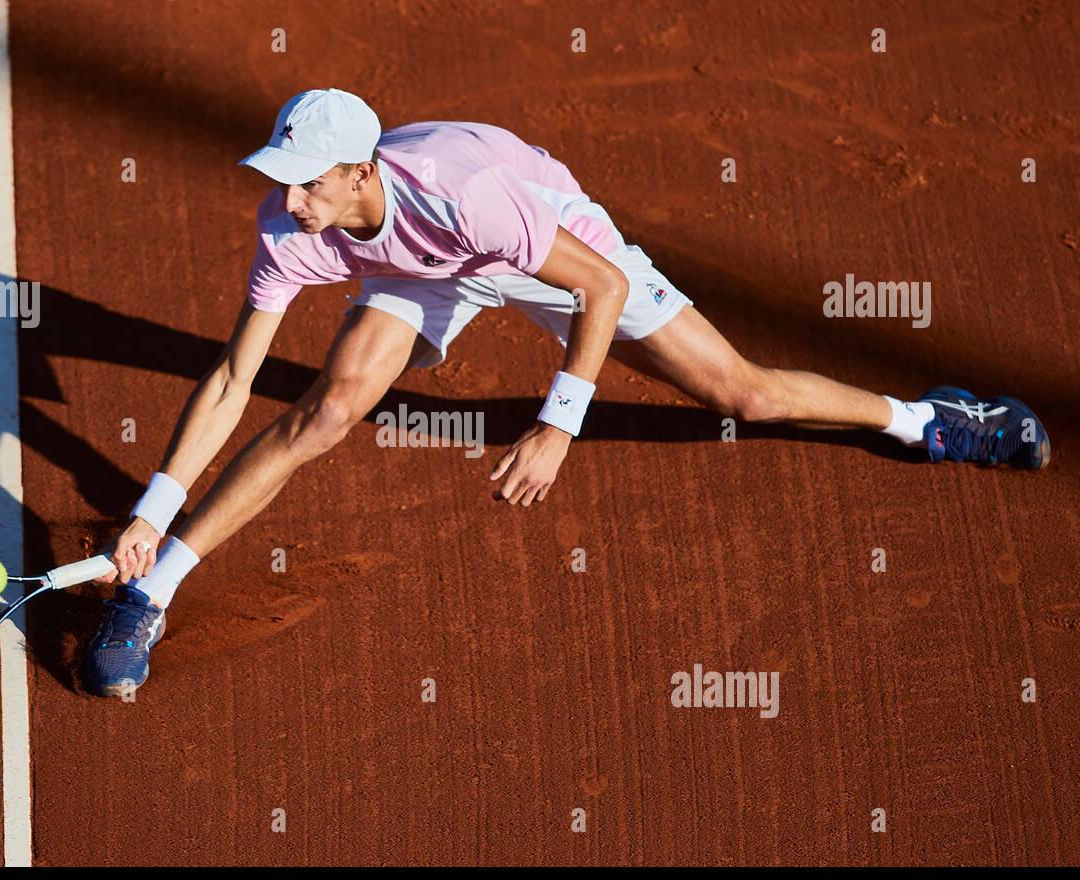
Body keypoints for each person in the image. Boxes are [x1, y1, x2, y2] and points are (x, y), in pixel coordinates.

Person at [83, 88, 1050, 697]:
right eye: (282, 182)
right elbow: (233, 374)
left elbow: (602, 287)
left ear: (358, 171)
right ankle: (156, 590)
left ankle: (931, 418)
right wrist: (151, 505)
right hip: (428, 269)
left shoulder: (471, 192)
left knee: (740, 394)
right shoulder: (291, 225)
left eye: (306, 186)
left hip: (547, 252)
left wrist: (556, 426)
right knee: (330, 408)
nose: (287, 202)